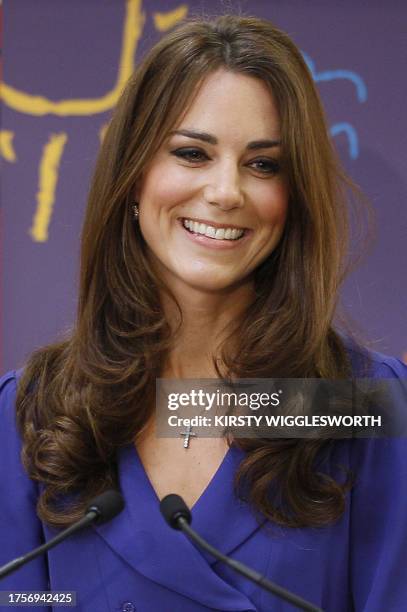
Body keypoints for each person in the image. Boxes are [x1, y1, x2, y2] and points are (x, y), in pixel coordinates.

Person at [1, 13, 406, 612]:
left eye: (263, 164)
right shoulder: (30, 410)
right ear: (134, 177)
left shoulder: (361, 404)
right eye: (192, 153)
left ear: (292, 199)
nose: (226, 192)